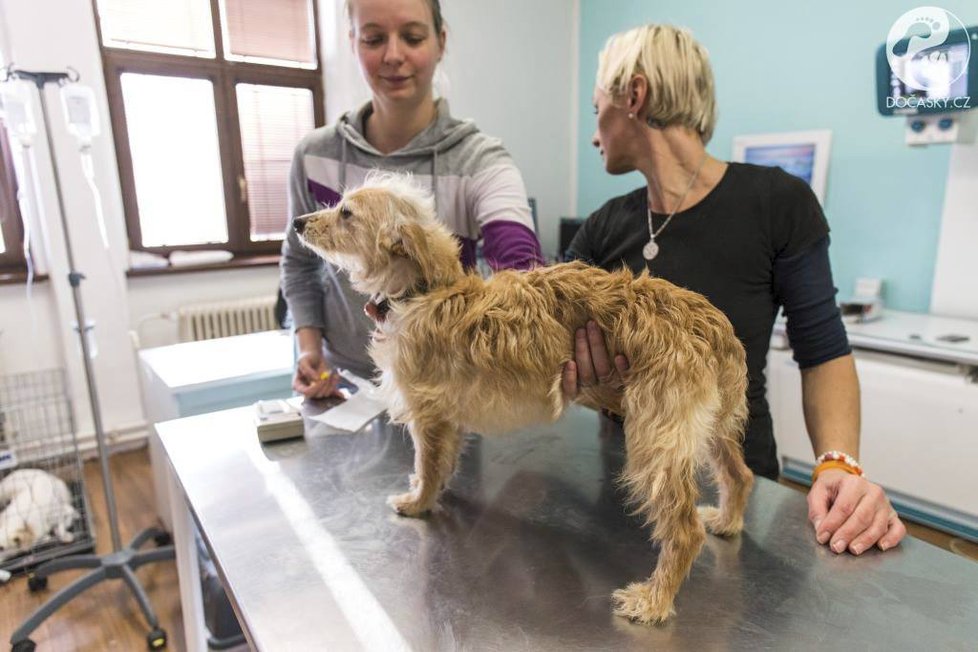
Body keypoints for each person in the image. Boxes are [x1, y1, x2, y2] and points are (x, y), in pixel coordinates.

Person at [562, 24, 906, 556]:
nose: (593, 134)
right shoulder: (604, 226)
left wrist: (839, 464)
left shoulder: (776, 202)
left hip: (736, 489)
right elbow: (548, 349)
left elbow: (823, 350)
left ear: (634, 95)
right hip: (629, 485)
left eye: (596, 108)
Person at [281, 0, 544, 398]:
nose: (393, 55)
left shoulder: (481, 161)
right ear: (352, 42)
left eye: (412, 37)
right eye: (373, 38)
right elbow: (299, 265)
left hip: (444, 387)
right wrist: (309, 348)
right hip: (346, 386)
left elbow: (521, 267)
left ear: (440, 41)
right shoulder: (314, 155)